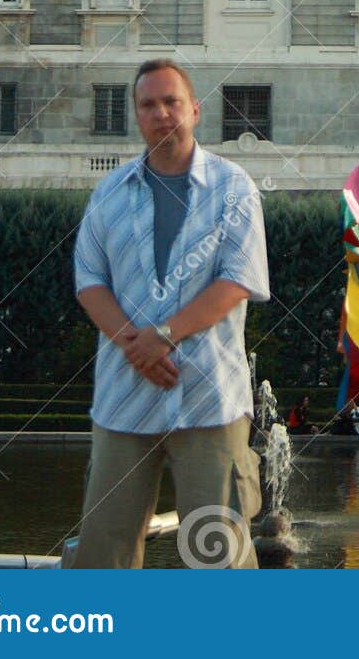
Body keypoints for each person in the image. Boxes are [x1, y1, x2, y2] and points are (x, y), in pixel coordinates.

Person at [65, 59, 270, 569]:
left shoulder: (234, 187)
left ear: (195, 110)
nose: (161, 113)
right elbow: (89, 281)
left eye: (171, 102)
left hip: (210, 399)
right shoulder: (108, 192)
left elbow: (238, 280)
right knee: (104, 555)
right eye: (148, 104)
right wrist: (138, 347)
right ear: (136, 114)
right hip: (123, 399)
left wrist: (164, 335)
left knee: (220, 555)